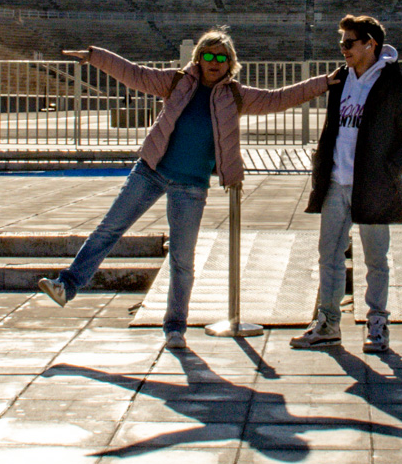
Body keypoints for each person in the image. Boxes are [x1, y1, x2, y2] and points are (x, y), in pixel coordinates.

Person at [38, 31, 333, 349]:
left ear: (230, 63)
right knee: (109, 229)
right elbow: (136, 75)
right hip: (151, 171)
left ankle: (175, 327)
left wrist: (326, 82)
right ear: (198, 58)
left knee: (182, 258)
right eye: (209, 55)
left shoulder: (236, 95)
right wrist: (96, 57)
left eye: (222, 57)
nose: (214, 63)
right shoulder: (178, 82)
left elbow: (280, 98)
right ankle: (66, 285)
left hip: (191, 186)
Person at [291, 15, 402, 355]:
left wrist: (391, 169)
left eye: (349, 43)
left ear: (371, 44)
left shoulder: (394, 85)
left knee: (375, 258)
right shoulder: (340, 81)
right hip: (337, 182)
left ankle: (377, 323)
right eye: (341, 43)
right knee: (329, 255)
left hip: (373, 185)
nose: (343, 50)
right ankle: (328, 323)